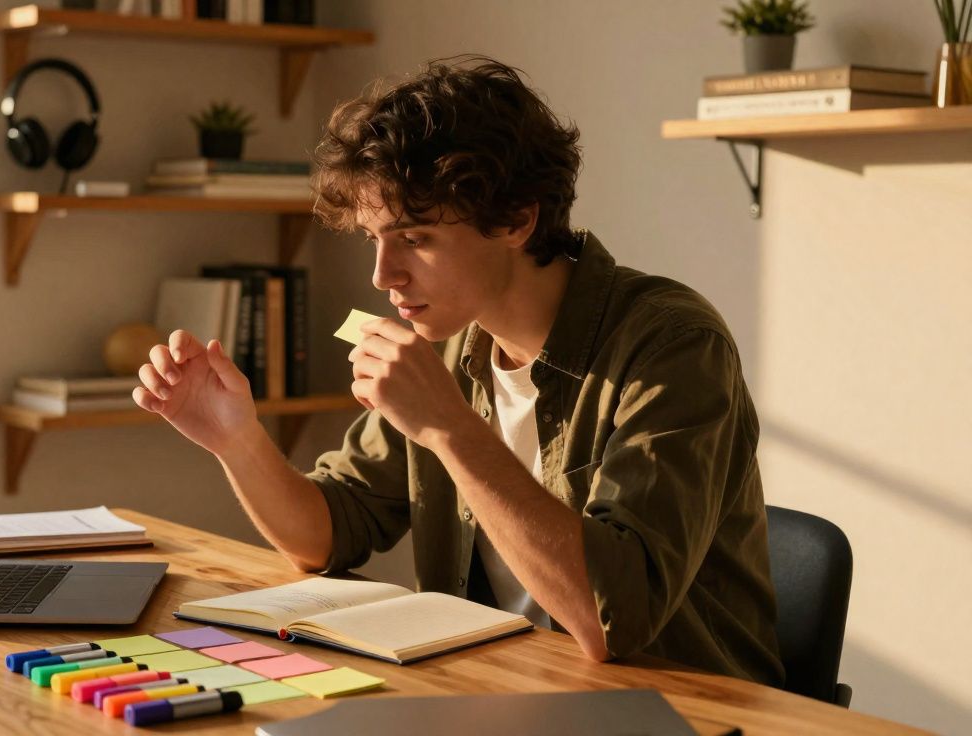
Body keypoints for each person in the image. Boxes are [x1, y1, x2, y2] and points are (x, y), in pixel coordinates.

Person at [133, 56, 783, 686]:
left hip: (675, 710)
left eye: (414, 239)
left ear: (516, 219)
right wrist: (237, 439)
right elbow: (330, 533)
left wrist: (449, 426)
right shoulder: (448, 340)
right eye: (373, 238)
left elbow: (612, 618)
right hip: (498, 691)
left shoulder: (672, 344)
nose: (382, 276)